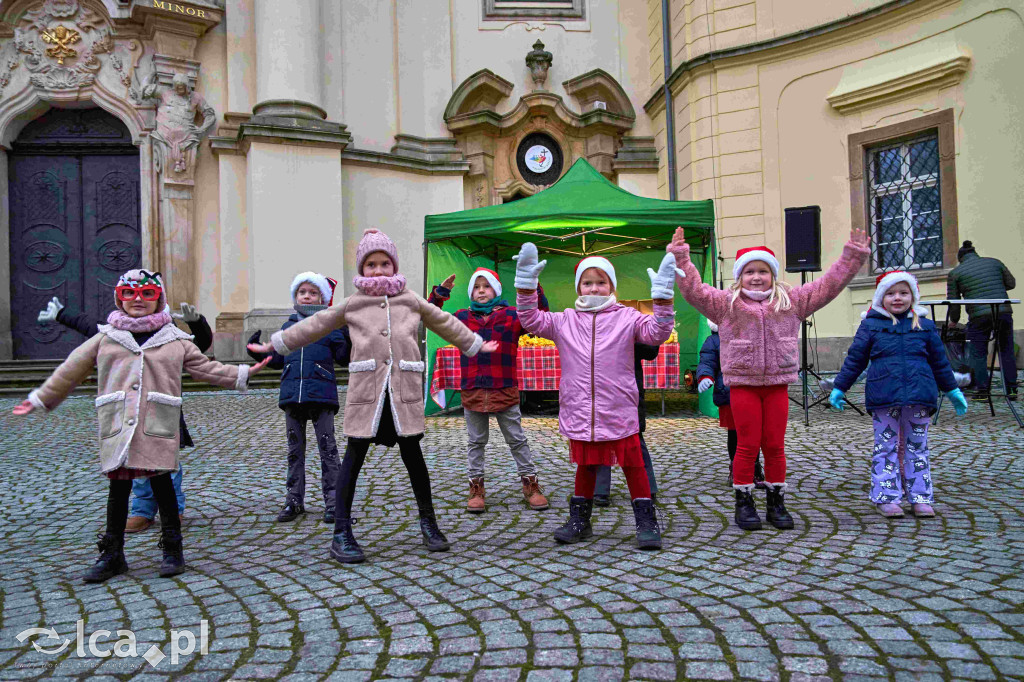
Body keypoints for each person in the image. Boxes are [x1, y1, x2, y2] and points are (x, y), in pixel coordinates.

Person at [248, 229, 499, 564]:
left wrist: (475, 343)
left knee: (414, 460)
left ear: (394, 266)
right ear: (362, 268)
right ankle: (341, 532)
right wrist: (275, 343)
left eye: (384, 263)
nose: (378, 270)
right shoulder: (353, 304)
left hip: (402, 395)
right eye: (371, 264)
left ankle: (429, 523)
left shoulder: (410, 299)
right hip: (368, 395)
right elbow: (313, 324)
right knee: (352, 460)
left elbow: (443, 321)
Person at [13, 269, 269, 583]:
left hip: (157, 422)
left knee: (163, 483)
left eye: (147, 294)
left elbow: (207, 368)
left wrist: (243, 373)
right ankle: (112, 554)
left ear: (157, 299)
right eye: (130, 293)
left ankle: (173, 549)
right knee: (118, 489)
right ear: (120, 297)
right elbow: (72, 368)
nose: (138, 300)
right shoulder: (107, 336)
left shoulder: (174, 338)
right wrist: (41, 398)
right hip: (119, 421)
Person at [670, 226, 869, 531]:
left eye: (763, 271)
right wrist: (682, 259)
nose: (757, 277)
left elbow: (828, 286)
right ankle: (744, 500)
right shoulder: (726, 304)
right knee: (746, 445)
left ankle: (777, 501)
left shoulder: (791, 300)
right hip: (743, 386)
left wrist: (851, 257)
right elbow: (694, 291)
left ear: (773, 275)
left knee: (775, 446)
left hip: (777, 384)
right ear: (740, 276)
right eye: (750, 271)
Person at [515, 243, 676, 550]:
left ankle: (646, 520)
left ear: (612, 286)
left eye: (601, 282)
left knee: (633, 464)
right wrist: (525, 285)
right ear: (579, 287)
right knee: (586, 465)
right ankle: (580, 521)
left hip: (618, 407)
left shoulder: (628, 317)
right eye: (587, 282)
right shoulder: (564, 320)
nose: (594, 287)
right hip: (581, 409)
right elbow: (531, 320)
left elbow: (657, 333)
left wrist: (663, 298)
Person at [38, 296, 215, 533]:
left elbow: (200, 343)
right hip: (128, 410)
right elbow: (91, 327)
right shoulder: (118, 332)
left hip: (161, 410)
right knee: (136, 463)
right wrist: (62, 314)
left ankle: (173, 509)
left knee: (166, 464)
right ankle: (142, 511)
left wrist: (197, 322)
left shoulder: (170, 333)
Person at [830, 271, 967, 517]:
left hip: (919, 397)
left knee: (917, 448)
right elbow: (856, 359)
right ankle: (886, 496)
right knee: (886, 447)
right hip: (884, 397)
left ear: (912, 297)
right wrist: (840, 387)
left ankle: (920, 497)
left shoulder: (924, 326)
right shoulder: (871, 325)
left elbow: (940, 362)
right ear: (881, 297)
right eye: (891, 293)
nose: (897, 298)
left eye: (903, 293)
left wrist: (952, 389)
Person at [428, 269, 549, 513]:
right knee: (476, 442)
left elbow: (541, 317)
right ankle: (476, 488)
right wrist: (440, 294)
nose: (481, 290)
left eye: (486, 286)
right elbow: (433, 318)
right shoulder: (462, 317)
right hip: (472, 390)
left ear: (496, 289)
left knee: (516, 440)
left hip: (503, 388)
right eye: (476, 287)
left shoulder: (513, 316)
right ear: (471, 292)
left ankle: (531, 485)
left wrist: (533, 286)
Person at [247, 272, 351, 524]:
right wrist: (257, 352)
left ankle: (333, 502)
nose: (307, 296)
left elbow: (344, 358)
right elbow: (278, 360)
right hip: (293, 397)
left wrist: (347, 333)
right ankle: (294, 501)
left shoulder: (329, 327)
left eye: (313, 292)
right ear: (295, 296)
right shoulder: (287, 327)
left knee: (328, 451)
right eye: (302, 292)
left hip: (322, 397)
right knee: (295, 452)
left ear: (323, 298)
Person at [695, 320, 765, 489]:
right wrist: (705, 376)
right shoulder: (713, 341)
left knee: (753, 433)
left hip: (750, 391)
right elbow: (707, 362)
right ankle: (736, 469)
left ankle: (754, 467)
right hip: (728, 394)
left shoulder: (747, 336)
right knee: (735, 434)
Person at [946, 240, 1018, 400]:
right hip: (1003, 311)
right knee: (1006, 350)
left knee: (978, 353)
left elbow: (954, 302)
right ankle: (1012, 390)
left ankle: (983, 392)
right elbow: (1011, 283)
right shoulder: (995, 262)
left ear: (960, 258)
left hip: (978, 316)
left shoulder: (956, 273)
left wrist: (954, 320)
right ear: (975, 253)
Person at [592, 342, 661, 507]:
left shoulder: (634, 317)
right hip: (600, 380)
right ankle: (599, 490)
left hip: (628, 383)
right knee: (601, 434)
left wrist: (626, 337)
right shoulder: (594, 316)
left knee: (634, 436)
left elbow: (651, 350)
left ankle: (646, 487)